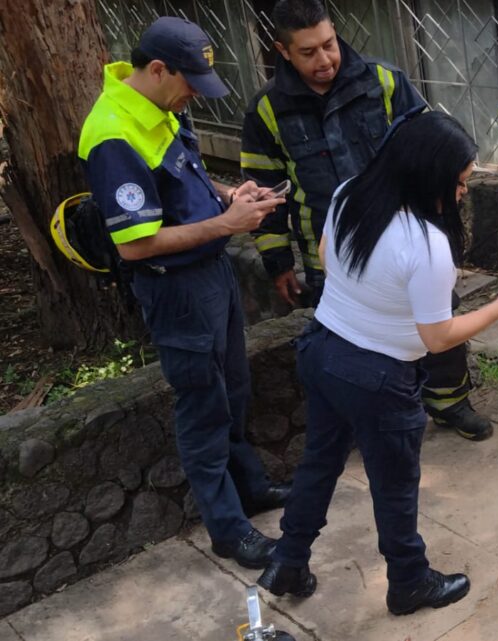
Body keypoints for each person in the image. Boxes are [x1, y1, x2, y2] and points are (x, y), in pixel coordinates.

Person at [255, 111, 498, 614]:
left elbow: (324, 255)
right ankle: (409, 581)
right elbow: (437, 339)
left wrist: (371, 297)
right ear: (427, 174)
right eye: (459, 182)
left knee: (319, 462)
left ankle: (288, 558)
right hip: (377, 377)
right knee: (394, 487)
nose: (461, 194)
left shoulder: (350, 194)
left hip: (321, 349)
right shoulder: (426, 244)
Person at [78, 17, 291, 569]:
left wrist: (228, 195)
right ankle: (227, 529)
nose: (195, 93)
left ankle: (250, 488)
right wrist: (228, 225)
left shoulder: (161, 106)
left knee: (234, 390)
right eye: (189, 81)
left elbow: (184, 175)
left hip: (211, 272)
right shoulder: (113, 135)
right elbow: (135, 243)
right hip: (176, 288)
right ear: (156, 69)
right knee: (202, 404)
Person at [240, 0, 495, 441]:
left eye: (329, 44)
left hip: (407, 241)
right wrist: (277, 261)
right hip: (334, 249)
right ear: (283, 51)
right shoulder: (267, 108)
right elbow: (265, 188)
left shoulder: (382, 80)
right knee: (359, 342)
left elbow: (430, 148)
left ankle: (450, 401)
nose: (324, 60)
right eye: (308, 52)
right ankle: (377, 419)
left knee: (439, 325)